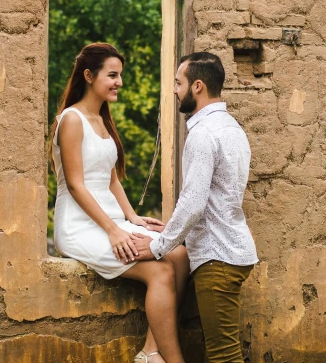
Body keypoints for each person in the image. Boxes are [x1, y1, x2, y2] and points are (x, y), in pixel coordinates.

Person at [50, 43, 190, 363]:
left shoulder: (101, 119)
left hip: (113, 220)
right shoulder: (71, 120)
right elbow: (75, 185)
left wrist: (132, 217)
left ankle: (151, 352)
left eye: (120, 75)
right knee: (160, 273)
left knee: (179, 254)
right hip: (80, 227)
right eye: (112, 75)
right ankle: (172, 360)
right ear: (88, 76)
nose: (119, 82)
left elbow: (111, 180)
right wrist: (114, 230)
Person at [132, 51, 258, 363]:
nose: (174, 89)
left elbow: (193, 204)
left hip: (219, 259)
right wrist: (175, 233)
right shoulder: (231, 128)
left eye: (178, 83)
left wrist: (159, 246)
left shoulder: (202, 133)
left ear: (197, 86)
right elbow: (217, 199)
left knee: (224, 356)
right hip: (229, 252)